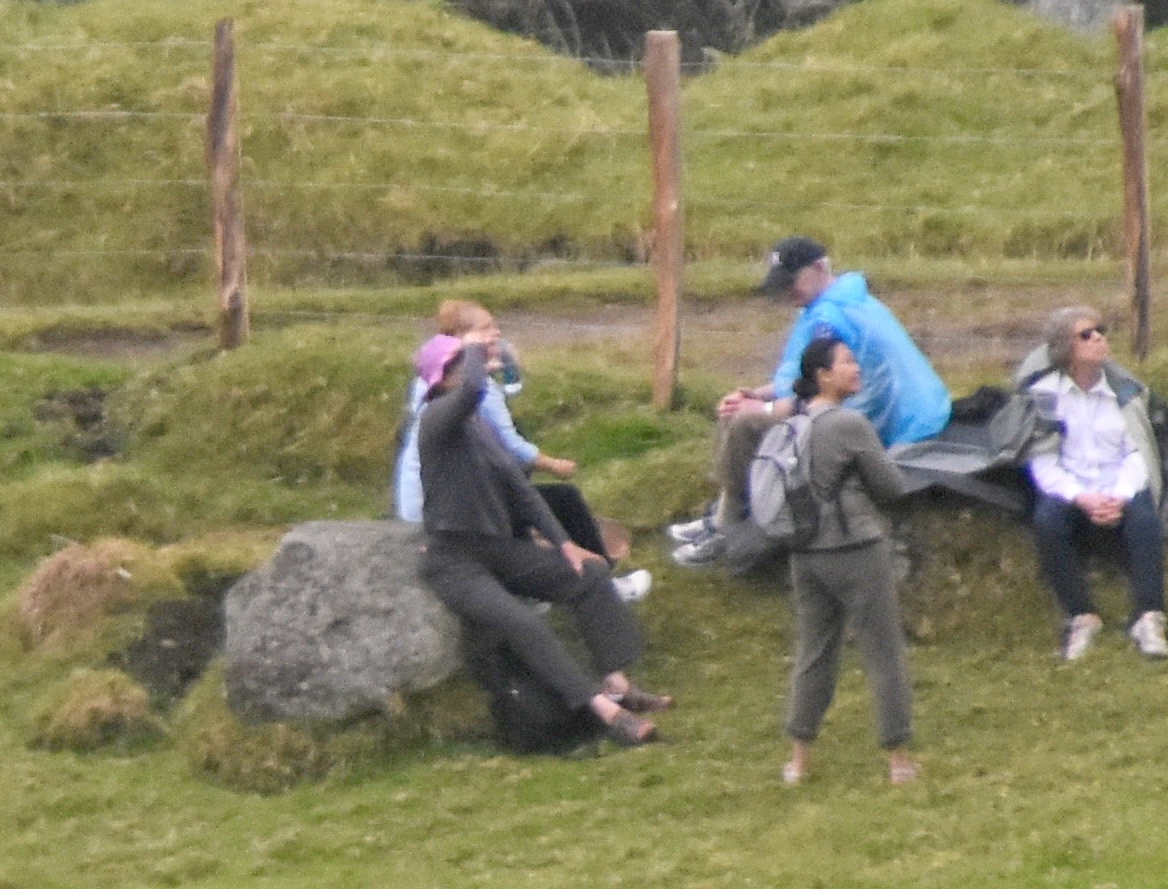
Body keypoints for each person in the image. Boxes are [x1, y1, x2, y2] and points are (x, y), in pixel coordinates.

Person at [412, 346, 666, 747]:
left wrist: (566, 544)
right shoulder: (436, 417)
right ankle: (604, 712)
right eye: (458, 365)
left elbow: (520, 490)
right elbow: (475, 385)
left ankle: (618, 685)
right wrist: (477, 348)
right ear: (441, 380)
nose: (470, 370)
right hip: (453, 560)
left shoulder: (479, 425)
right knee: (522, 623)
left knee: (590, 574)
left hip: (497, 550)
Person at [392, 302, 650, 597]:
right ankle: (603, 586)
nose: (497, 333)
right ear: (465, 338)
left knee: (518, 498)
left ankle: (540, 585)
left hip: (422, 504)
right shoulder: (474, 388)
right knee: (562, 500)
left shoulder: (432, 376)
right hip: (444, 515)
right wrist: (555, 465)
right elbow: (513, 447)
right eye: (487, 328)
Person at [771, 329, 923, 786]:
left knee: (814, 651)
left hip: (804, 552)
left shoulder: (791, 425)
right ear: (823, 375)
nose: (855, 368)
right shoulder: (849, 425)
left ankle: (799, 758)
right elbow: (891, 487)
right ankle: (898, 759)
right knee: (883, 651)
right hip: (856, 547)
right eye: (846, 362)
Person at [1000, 303, 1168, 661]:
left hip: (1118, 483)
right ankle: (1081, 615)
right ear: (1067, 350)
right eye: (1086, 334)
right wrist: (1082, 498)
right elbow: (1044, 461)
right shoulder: (1046, 397)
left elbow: (1138, 453)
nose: (1098, 338)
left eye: (1100, 331)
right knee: (1047, 522)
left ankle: (1149, 615)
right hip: (1073, 487)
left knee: (1144, 521)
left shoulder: (1124, 394)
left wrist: (1119, 496)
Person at [720, 237, 952, 446]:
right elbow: (810, 375)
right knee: (743, 415)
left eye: (792, 281)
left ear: (819, 267)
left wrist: (764, 410)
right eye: (782, 284)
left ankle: (745, 493)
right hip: (918, 416)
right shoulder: (838, 302)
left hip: (903, 431)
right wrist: (756, 396)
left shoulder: (830, 318)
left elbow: (824, 394)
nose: (786, 291)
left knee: (746, 425)